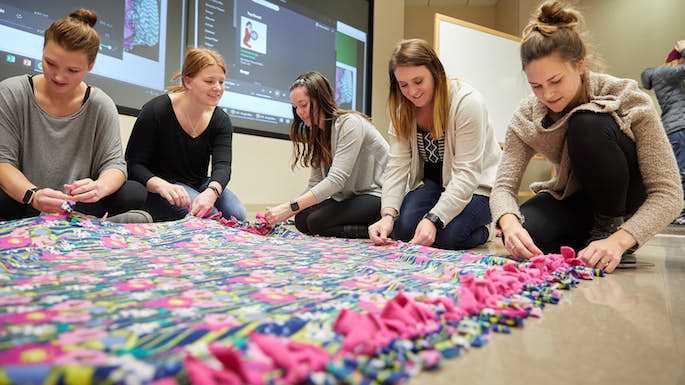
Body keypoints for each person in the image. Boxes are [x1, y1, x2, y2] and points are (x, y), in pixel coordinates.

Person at [490, 1, 683, 273]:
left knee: (586, 122)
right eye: (536, 86)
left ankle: (609, 231)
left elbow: (670, 195)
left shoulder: (629, 99)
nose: (547, 95)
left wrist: (618, 241)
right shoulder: (527, 115)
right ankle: (590, 240)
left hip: (625, 201)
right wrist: (508, 222)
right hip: (577, 200)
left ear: (580, 65)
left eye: (556, 81)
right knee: (528, 235)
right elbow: (502, 188)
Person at [0, 9, 147, 221]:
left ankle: (80, 219)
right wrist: (33, 195)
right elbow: (3, 161)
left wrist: (98, 187)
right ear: (42, 51)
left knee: (133, 192)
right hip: (23, 200)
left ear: (90, 65)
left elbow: (115, 165)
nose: (59, 76)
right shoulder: (12, 92)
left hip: (78, 203)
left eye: (72, 70)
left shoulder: (100, 104)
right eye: (50, 63)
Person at [368, 39, 502, 250]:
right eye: (403, 85)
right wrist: (387, 215)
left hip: (479, 186)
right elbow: (397, 167)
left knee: (448, 236)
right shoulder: (403, 110)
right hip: (436, 183)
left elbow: (467, 174)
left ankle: (487, 231)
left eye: (418, 81)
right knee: (403, 230)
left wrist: (434, 218)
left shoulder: (468, 103)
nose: (412, 92)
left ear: (435, 73)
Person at [125, 48, 246, 222]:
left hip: (197, 183)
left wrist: (212, 192)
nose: (218, 88)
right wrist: (161, 185)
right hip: (161, 187)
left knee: (238, 214)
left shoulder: (221, 120)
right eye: (209, 81)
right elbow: (134, 165)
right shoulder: (155, 110)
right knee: (208, 216)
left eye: (221, 82)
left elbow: (223, 167)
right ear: (188, 81)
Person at [264, 71, 388, 238]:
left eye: (303, 105)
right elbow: (315, 182)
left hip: (378, 194)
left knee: (316, 221)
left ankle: (380, 230)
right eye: (295, 107)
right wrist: (290, 210)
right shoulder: (317, 134)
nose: (299, 112)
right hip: (351, 197)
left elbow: (336, 180)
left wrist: (289, 207)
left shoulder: (350, 123)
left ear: (320, 98)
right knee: (301, 219)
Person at [641, 40, 685, 225]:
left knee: (679, 171)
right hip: (680, 128)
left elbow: (645, 77)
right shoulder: (670, 73)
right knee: (680, 172)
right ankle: (677, 212)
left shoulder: (664, 76)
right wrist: (683, 49)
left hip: (674, 128)